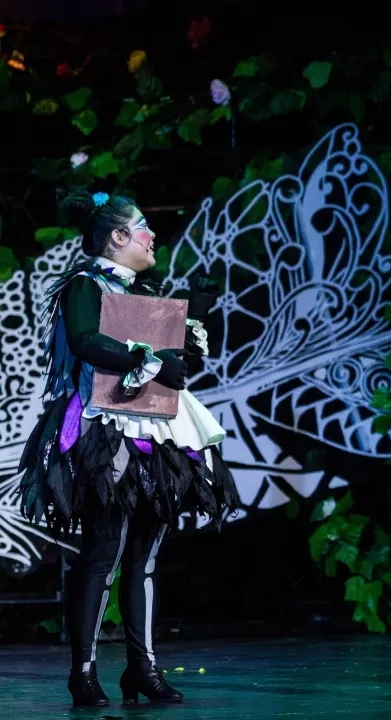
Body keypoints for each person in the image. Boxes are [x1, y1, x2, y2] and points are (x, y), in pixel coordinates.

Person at [17, 189, 238, 707]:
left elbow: (170, 364)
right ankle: (84, 671)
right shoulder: (85, 285)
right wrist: (150, 356)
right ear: (118, 237)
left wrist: (191, 319)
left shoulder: (143, 292)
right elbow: (85, 340)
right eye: (142, 228)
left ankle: (143, 667)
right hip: (105, 426)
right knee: (104, 551)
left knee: (145, 553)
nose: (152, 236)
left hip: (153, 430)